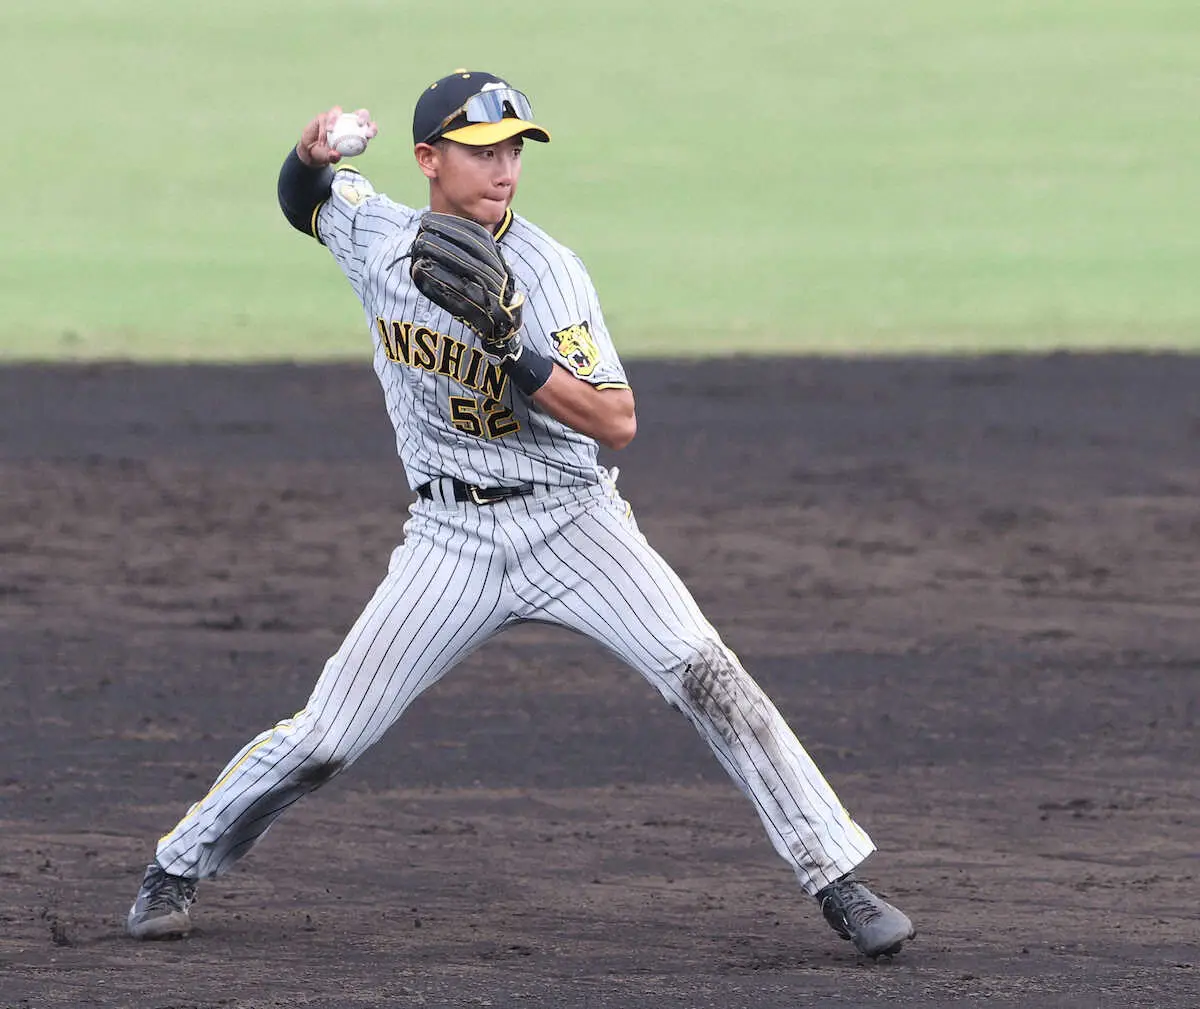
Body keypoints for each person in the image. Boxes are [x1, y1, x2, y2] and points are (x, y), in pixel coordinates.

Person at [125, 69, 916, 959]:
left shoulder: (549, 270)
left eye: (513, 151)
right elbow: (304, 201)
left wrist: (516, 350)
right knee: (327, 738)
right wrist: (308, 155)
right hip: (449, 539)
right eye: (481, 152)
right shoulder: (380, 237)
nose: (503, 169)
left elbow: (617, 421)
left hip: (574, 524)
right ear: (428, 160)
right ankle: (177, 863)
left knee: (706, 671)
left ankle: (837, 879)